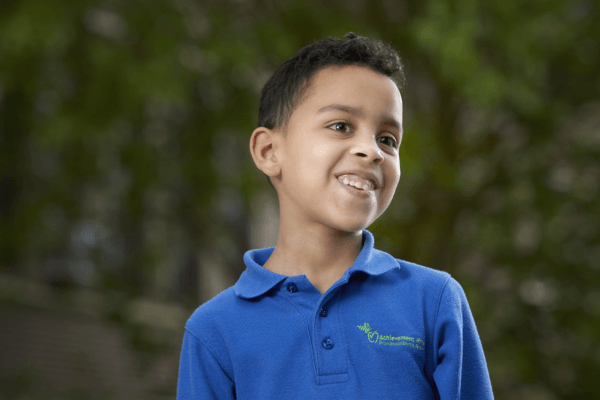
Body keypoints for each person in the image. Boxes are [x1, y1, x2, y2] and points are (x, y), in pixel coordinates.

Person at [176, 32, 494, 399]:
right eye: (341, 126)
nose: (372, 151)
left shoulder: (434, 301)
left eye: (387, 139)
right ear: (268, 151)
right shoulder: (214, 330)